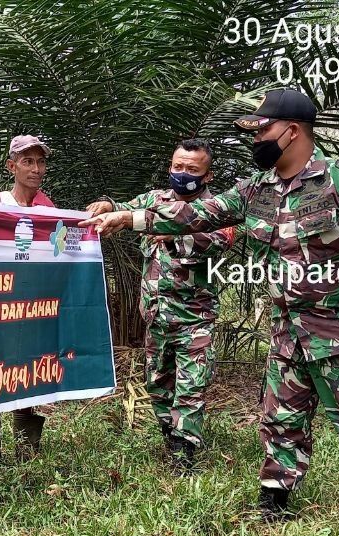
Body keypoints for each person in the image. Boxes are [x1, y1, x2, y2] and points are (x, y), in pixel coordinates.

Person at [81, 89, 339, 536]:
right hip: (285, 330)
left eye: (262, 130)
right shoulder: (257, 189)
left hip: (338, 328)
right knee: (280, 417)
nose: (256, 139)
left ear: (291, 131)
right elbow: (195, 215)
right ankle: (275, 497)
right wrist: (129, 218)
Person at [85, 139, 235, 472]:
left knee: (191, 388)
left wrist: (170, 232)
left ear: (207, 176)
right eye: (177, 167)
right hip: (156, 316)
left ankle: (184, 454)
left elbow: (219, 240)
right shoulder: (154, 200)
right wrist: (106, 207)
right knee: (158, 384)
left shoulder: (219, 209)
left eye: (192, 170)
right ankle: (172, 436)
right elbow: (122, 208)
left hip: (196, 319)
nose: (182, 174)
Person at [0, 135, 54, 463]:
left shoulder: (48, 207)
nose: (35, 169)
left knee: (25, 373)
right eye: (27, 162)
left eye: (40, 162)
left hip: (33, 306)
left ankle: (26, 452)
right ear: (12, 166)